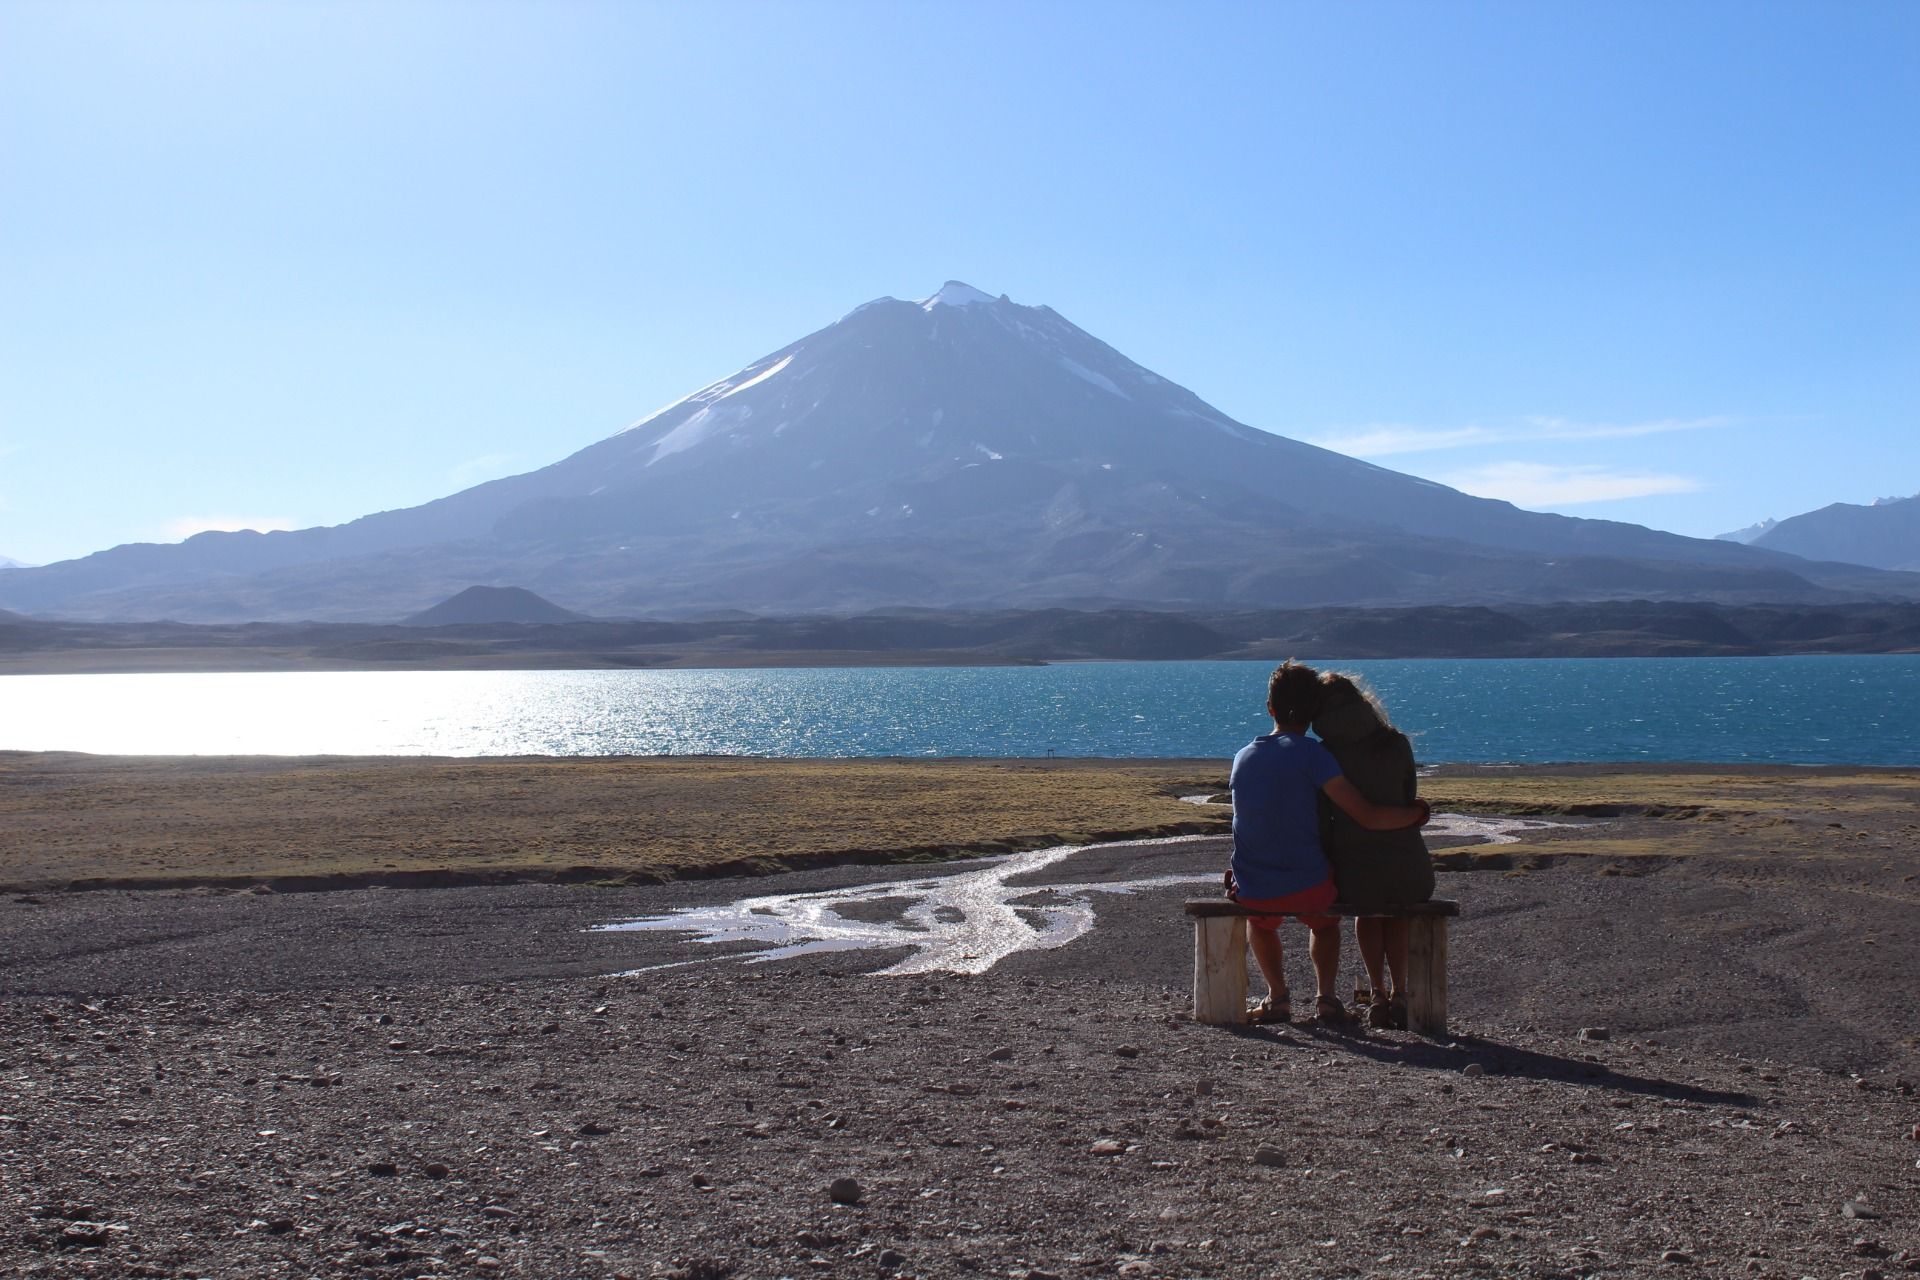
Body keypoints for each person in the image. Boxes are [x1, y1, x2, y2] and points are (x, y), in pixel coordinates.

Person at [1228, 661, 1429, 1024]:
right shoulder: (1315, 755)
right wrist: (1417, 815)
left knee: (1259, 924)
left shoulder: (1243, 757)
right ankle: (1326, 998)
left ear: (1270, 708)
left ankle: (1277, 997)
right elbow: (1366, 814)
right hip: (1310, 886)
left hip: (1253, 887)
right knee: (1323, 923)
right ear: (1311, 713)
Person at [1313, 672, 1435, 1029]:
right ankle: (1399, 992)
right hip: (1410, 868)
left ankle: (1378, 993)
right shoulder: (1395, 743)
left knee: (1367, 914)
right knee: (1396, 911)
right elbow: (1407, 797)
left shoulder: (1325, 754)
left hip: (1354, 872)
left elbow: (1322, 819)